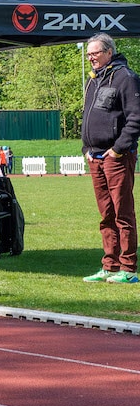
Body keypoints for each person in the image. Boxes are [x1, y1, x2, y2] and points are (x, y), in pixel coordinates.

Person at [81, 33, 140, 284]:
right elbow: (87, 117)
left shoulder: (126, 78)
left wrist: (118, 149)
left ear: (109, 52)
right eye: (88, 54)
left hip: (116, 157)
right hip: (95, 157)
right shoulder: (93, 80)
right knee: (106, 214)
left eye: (94, 53)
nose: (91, 57)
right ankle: (110, 266)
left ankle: (128, 268)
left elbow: (136, 119)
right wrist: (85, 148)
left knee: (122, 213)